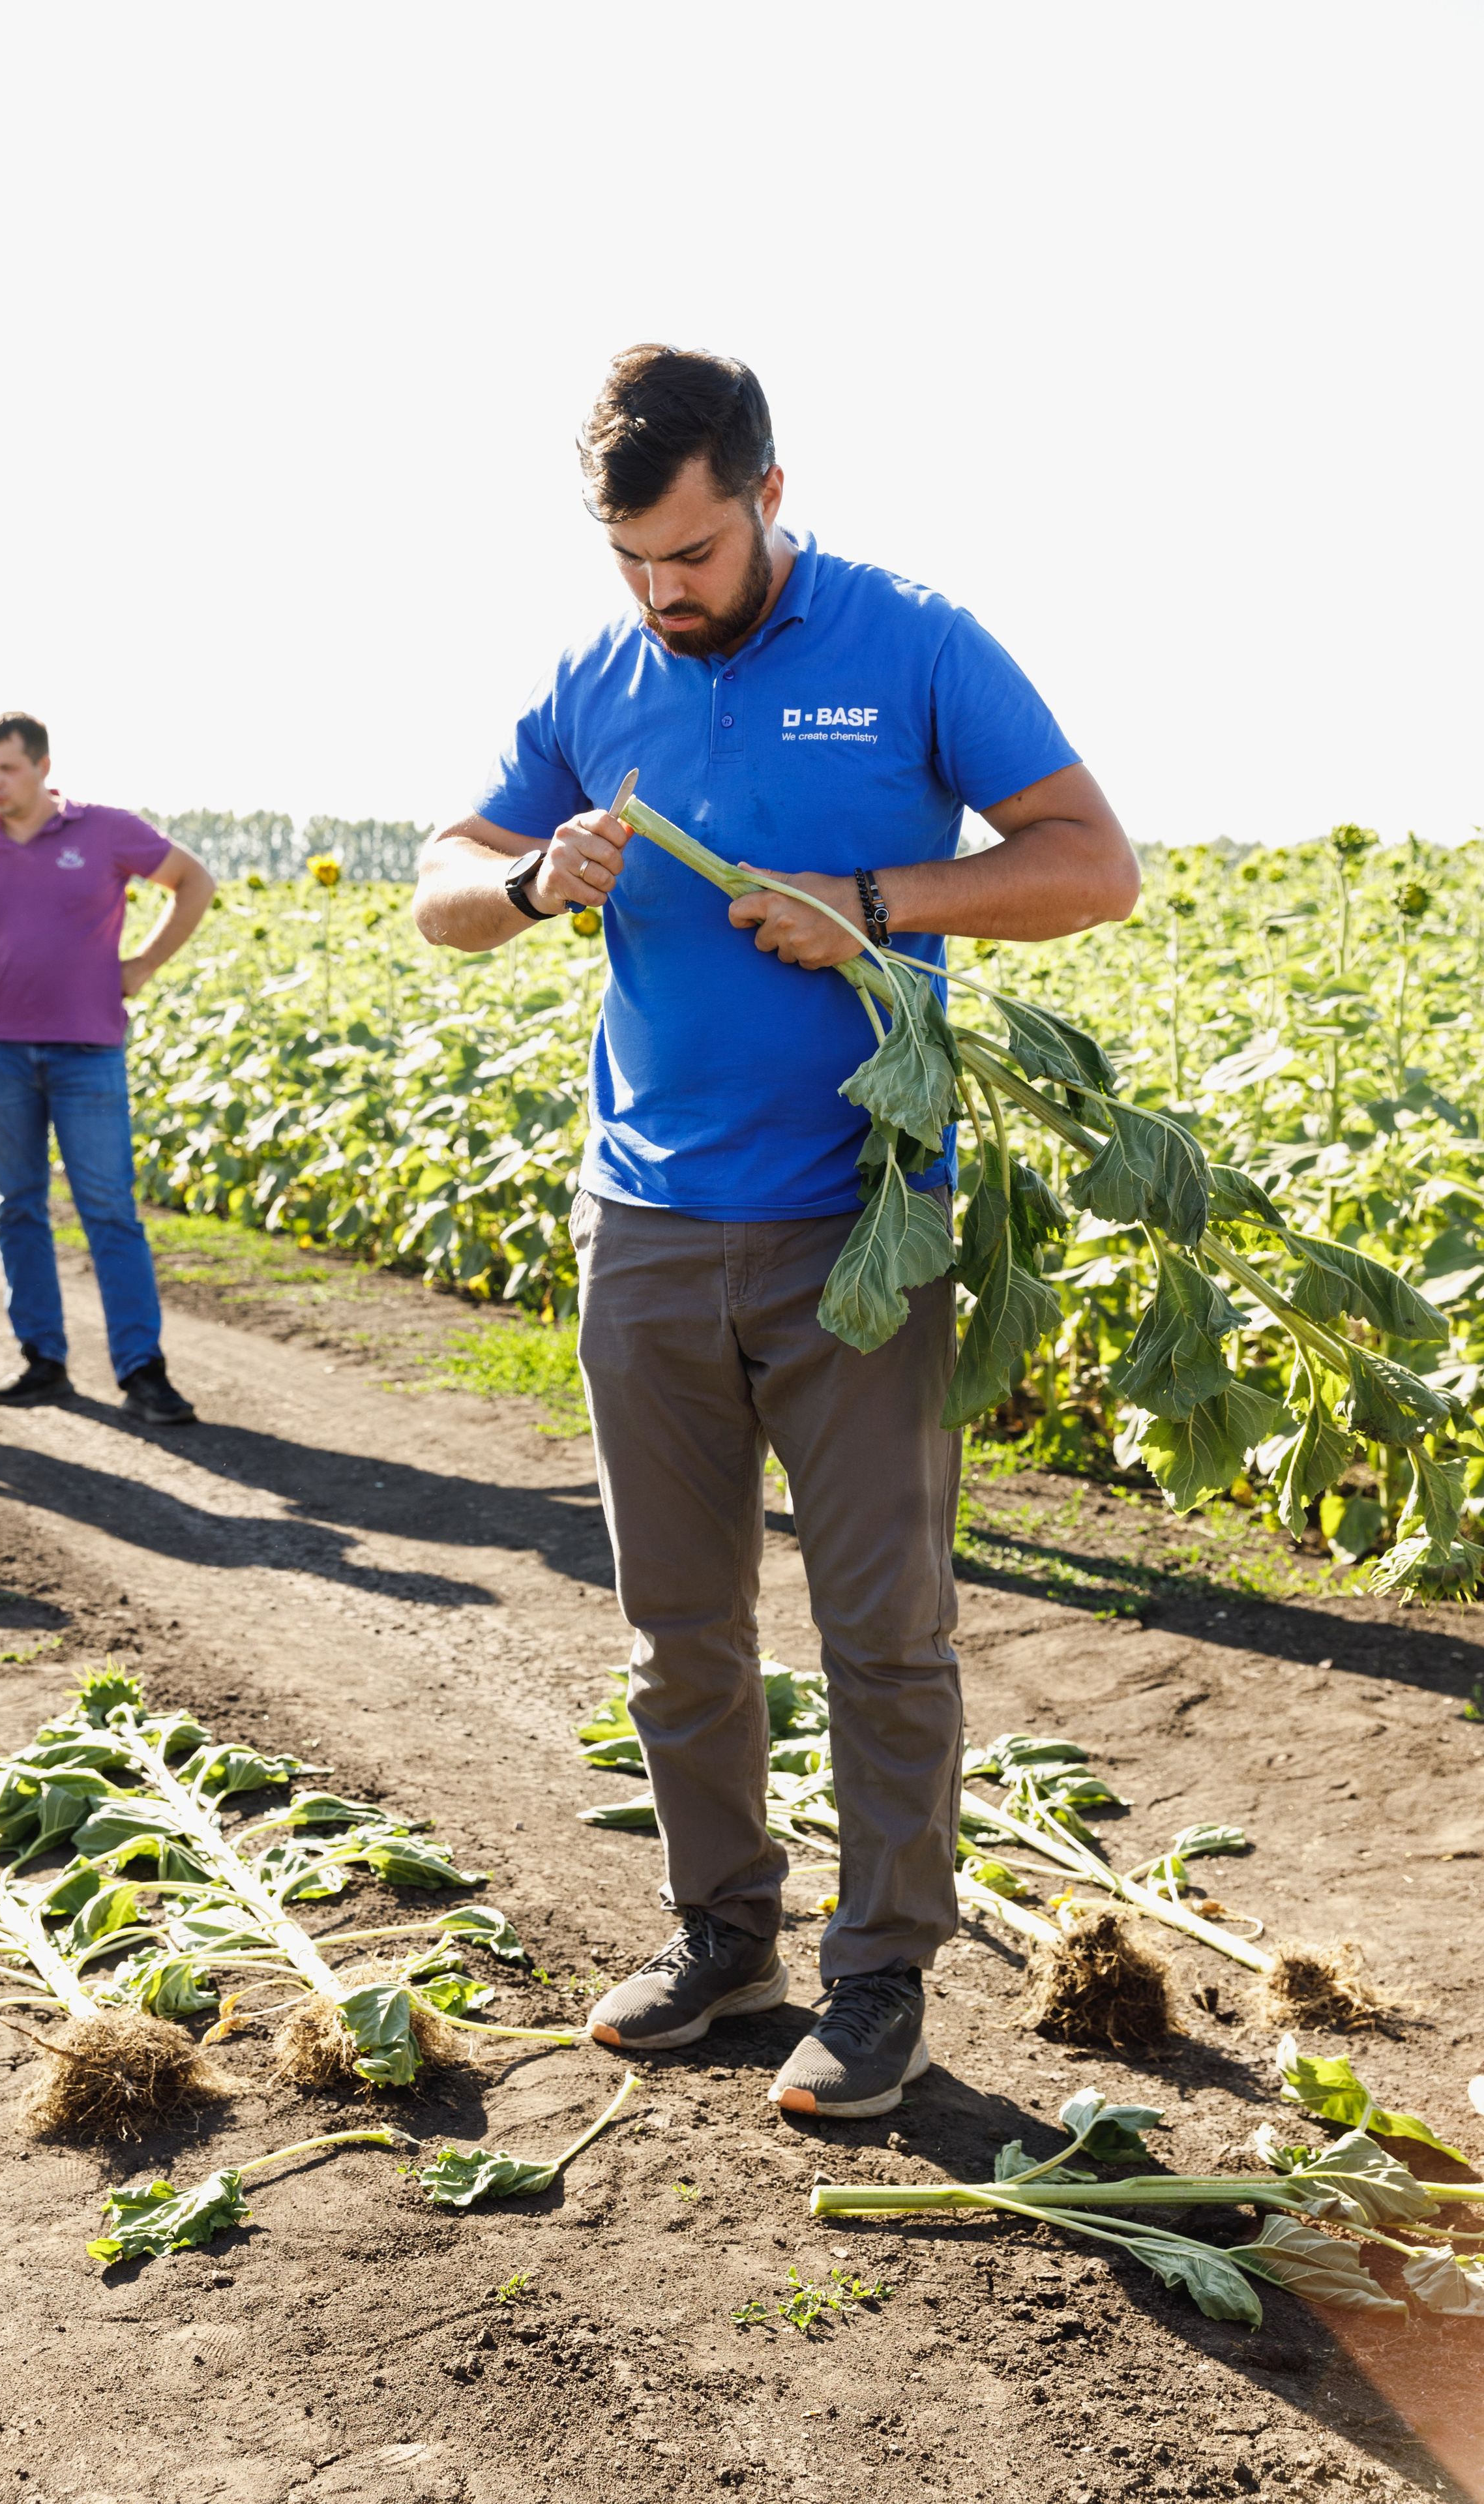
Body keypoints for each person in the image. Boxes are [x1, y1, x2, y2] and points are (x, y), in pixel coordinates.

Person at [413, 345, 1141, 2118]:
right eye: (635, 564)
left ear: (768, 499)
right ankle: (722, 1932)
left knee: (885, 1628)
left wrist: (878, 903)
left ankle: (881, 1976)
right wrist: (528, 883)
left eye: (694, 555)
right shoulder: (598, 674)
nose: (666, 593)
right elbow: (444, 878)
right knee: (679, 1626)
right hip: (647, 1224)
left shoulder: (913, 643)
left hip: (860, 1222)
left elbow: (1091, 863)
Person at [0, 711, 214, 1423]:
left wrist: (146, 964)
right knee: (18, 1206)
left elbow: (193, 881)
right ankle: (42, 1360)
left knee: (109, 1209)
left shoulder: (104, 831)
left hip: (87, 1049)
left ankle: (143, 1372)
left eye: (6, 770)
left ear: (41, 766)